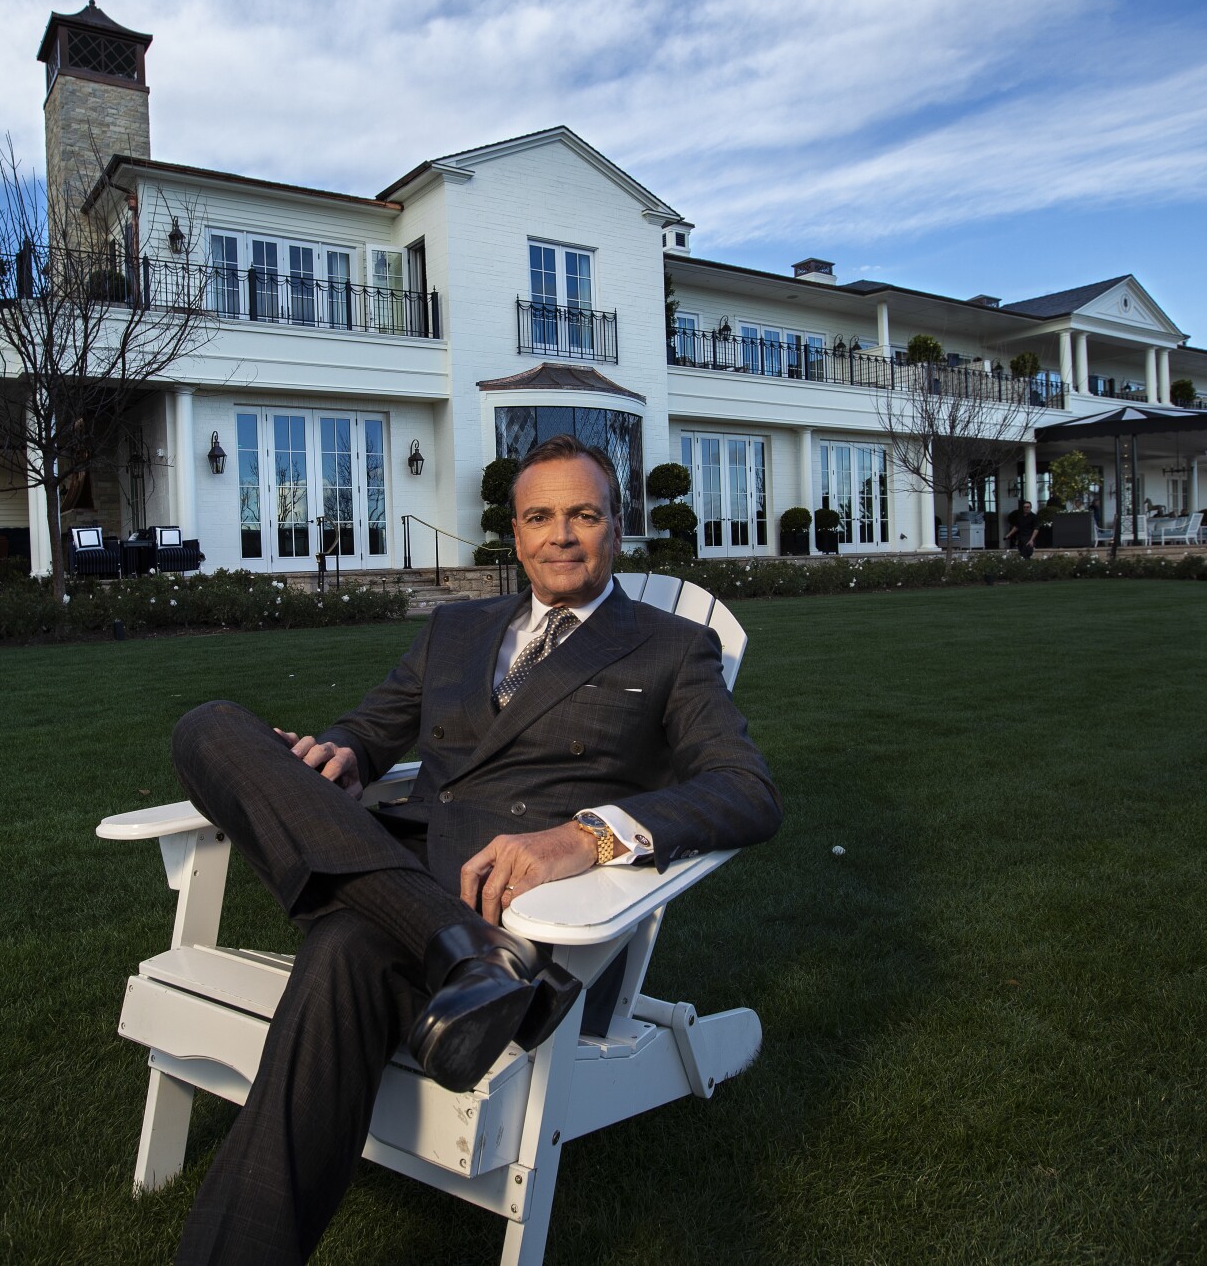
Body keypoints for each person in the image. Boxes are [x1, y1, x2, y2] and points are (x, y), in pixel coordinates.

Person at [168, 435, 781, 1264]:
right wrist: (341, 754)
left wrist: (584, 836)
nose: (561, 534)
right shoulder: (455, 628)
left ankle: (462, 948)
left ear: (617, 527)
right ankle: (458, 951)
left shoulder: (670, 647)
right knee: (208, 725)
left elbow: (746, 789)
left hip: (524, 914)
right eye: (540, 516)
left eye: (583, 514)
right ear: (515, 532)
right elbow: (372, 726)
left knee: (344, 946)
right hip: (413, 880)